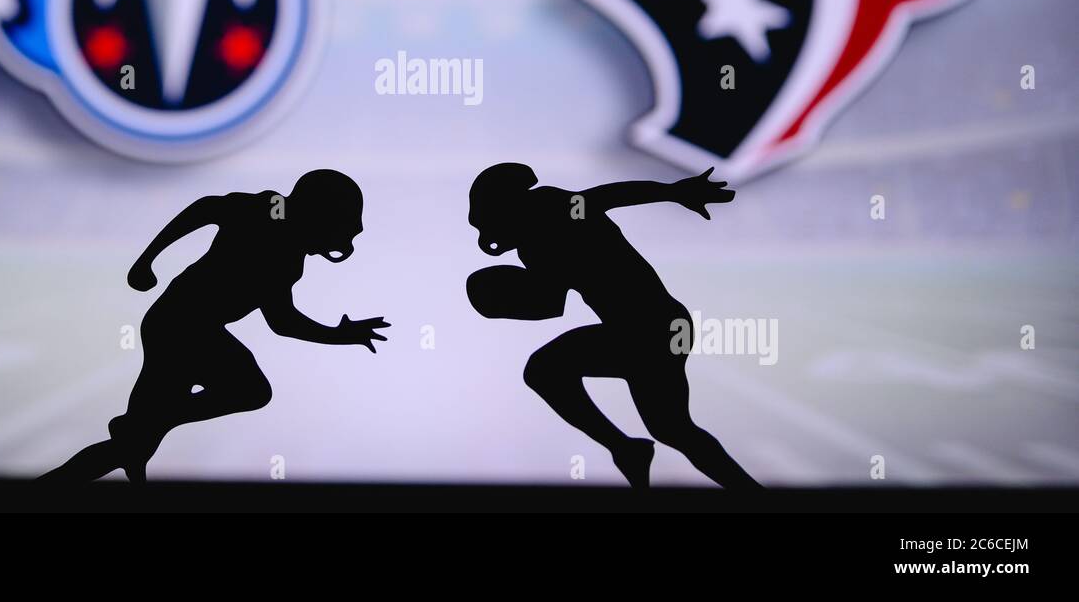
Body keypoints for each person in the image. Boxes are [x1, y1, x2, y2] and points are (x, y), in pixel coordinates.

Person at [43, 169, 389, 482]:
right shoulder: (270, 214)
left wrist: (339, 335)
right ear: (318, 215)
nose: (340, 245)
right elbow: (208, 208)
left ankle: (139, 431)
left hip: (185, 326)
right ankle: (153, 421)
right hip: (182, 327)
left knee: (132, 446)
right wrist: (146, 259)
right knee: (249, 390)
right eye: (338, 229)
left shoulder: (288, 251)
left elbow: (282, 321)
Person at [466, 163, 759, 489]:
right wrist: (504, 293)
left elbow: (607, 196)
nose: (486, 239)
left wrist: (672, 191)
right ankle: (741, 489)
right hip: (655, 327)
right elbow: (549, 303)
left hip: (646, 328)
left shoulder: (550, 210)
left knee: (543, 370)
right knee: (672, 429)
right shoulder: (534, 244)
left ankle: (625, 449)